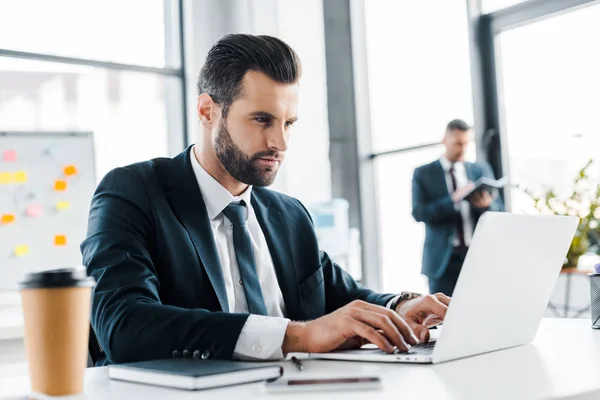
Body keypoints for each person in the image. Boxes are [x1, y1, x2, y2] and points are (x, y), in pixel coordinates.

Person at [81, 34, 449, 366]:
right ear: (208, 111)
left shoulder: (288, 215)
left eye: (289, 123)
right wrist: (296, 336)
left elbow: (343, 295)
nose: (281, 143)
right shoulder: (132, 192)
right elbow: (123, 325)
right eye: (262, 119)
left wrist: (400, 306)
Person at [412, 119, 504, 296]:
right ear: (444, 140)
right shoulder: (424, 173)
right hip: (443, 263)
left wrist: (486, 206)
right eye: (457, 143)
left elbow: (499, 210)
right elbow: (418, 212)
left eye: (466, 143)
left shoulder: (480, 170)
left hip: (478, 257)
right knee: (441, 318)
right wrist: (453, 199)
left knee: (482, 311)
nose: (462, 149)